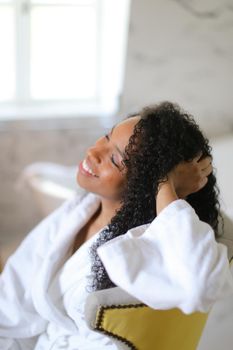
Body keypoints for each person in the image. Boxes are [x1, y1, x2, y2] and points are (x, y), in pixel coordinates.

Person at [0, 102, 233, 349]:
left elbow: (198, 285)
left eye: (114, 159)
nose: (93, 151)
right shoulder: (78, 211)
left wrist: (165, 183)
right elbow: (13, 297)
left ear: (146, 184)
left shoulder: (145, 252)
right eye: (106, 137)